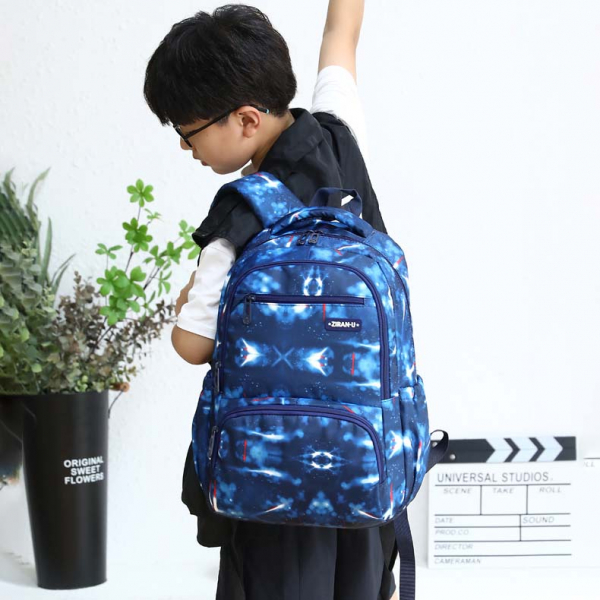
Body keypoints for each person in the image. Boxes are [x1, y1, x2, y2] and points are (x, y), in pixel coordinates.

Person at [143, 3, 399, 599]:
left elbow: (192, 344)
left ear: (246, 119)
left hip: (268, 480)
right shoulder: (341, 133)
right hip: (365, 465)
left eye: (188, 131)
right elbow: (341, 36)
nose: (184, 146)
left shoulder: (238, 217)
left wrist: (189, 296)